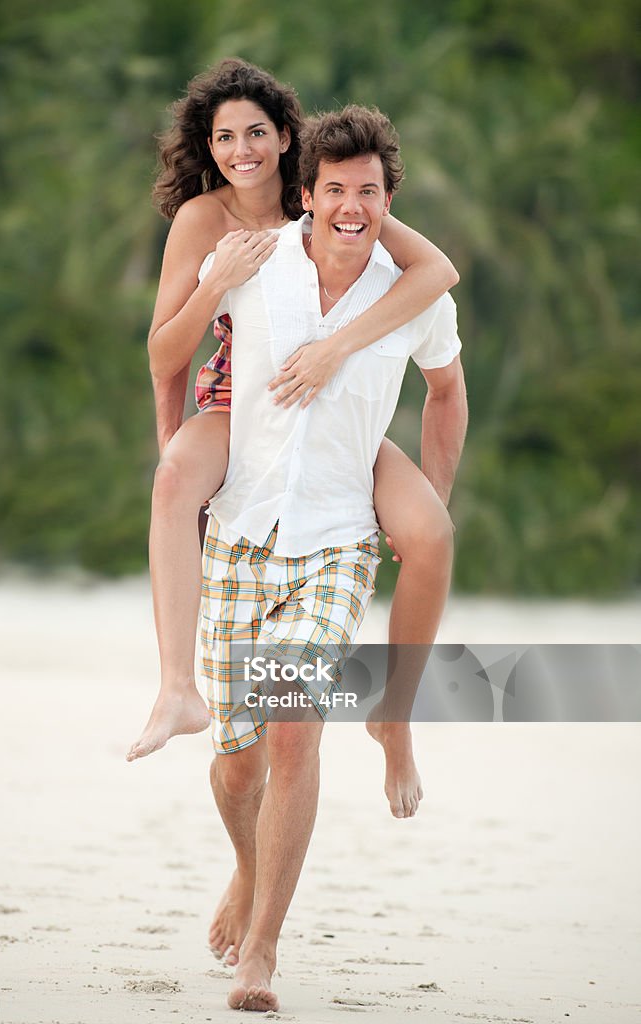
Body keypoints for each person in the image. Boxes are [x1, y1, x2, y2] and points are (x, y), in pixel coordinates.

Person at [127, 59, 459, 821]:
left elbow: (433, 270)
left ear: (287, 139)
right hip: (237, 399)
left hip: (334, 415)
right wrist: (172, 451)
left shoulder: (324, 193)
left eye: (255, 133)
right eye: (222, 138)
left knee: (430, 532)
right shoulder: (203, 221)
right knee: (174, 480)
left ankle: (394, 716)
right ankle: (177, 687)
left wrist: (336, 348)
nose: (241, 150)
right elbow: (163, 355)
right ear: (206, 147)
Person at [191, 104, 467, 1011]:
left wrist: (425, 494)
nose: (353, 208)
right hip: (239, 529)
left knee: (293, 722)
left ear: (391, 200)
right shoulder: (257, 264)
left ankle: (263, 953)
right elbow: (178, 350)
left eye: (371, 192)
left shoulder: (412, 292)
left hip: (337, 537)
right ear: (303, 197)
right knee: (237, 762)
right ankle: (246, 867)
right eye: (336, 190)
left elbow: (445, 394)